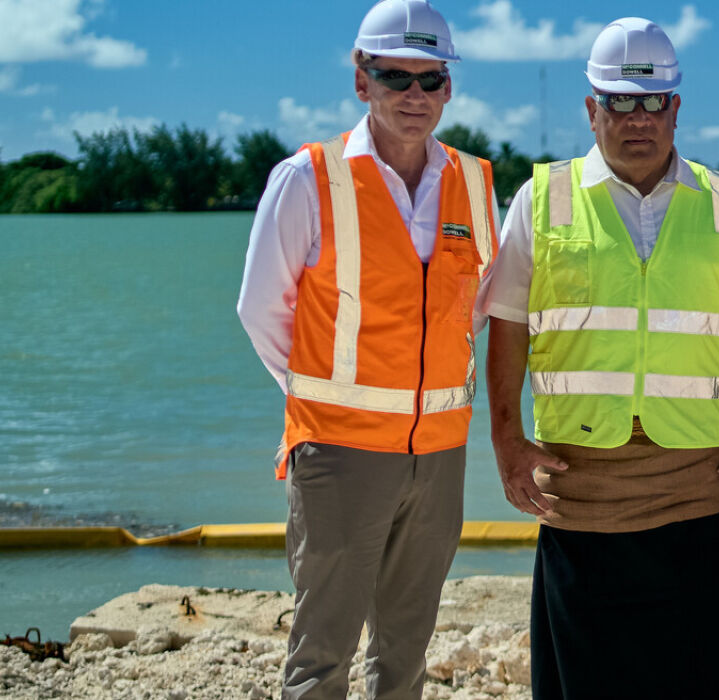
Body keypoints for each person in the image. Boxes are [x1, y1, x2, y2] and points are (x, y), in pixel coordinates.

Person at [479, 16, 719, 699]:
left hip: (697, 496)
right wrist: (506, 440)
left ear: (676, 106)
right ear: (592, 109)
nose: (638, 118)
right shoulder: (541, 201)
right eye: (620, 102)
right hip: (580, 500)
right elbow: (506, 327)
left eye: (653, 101)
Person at [235, 1, 497, 697]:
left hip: (439, 454)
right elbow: (261, 310)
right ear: (361, 80)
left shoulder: (474, 183)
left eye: (430, 79)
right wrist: (324, 396)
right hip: (339, 451)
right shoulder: (308, 178)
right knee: (323, 652)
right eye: (394, 77)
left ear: (448, 87)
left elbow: (476, 310)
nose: (415, 95)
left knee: (405, 650)